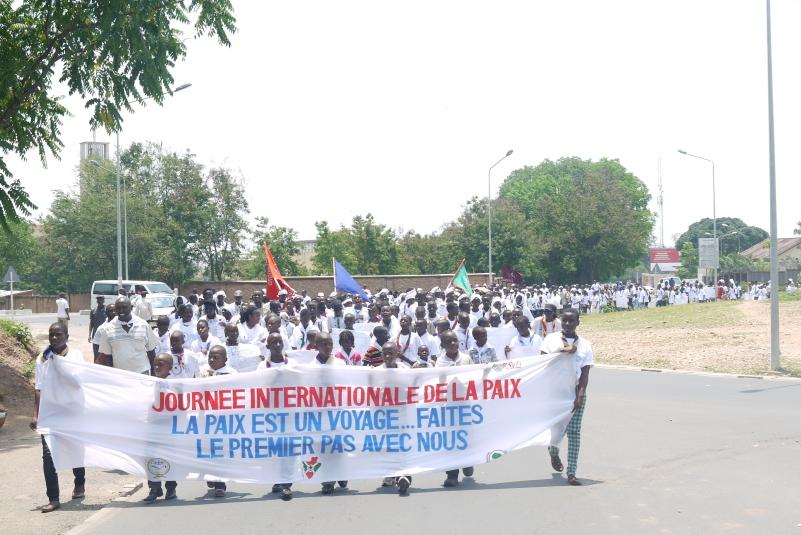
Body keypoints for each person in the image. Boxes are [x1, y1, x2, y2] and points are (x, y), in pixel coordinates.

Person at [31, 322, 86, 513]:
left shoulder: (75, 356)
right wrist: (35, 414)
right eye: (51, 335)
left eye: (58, 335)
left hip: (72, 412)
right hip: (50, 414)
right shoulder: (42, 358)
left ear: (66, 336)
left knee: (75, 450)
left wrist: (59, 364)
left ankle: (80, 482)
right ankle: (53, 498)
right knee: (48, 456)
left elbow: (78, 382)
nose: (54, 338)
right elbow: (38, 388)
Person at [542, 308, 593, 486]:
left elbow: (585, 373)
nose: (568, 324)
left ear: (578, 322)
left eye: (572, 321)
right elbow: (541, 362)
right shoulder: (550, 340)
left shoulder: (585, 345)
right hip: (556, 393)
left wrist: (580, 394)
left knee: (574, 432)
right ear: (561, 321)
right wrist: (560, 352)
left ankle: (572, 472)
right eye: (565, 321)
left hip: (575, 393)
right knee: (557, 430)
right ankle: (553, 452)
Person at [309, 333, 347, 494]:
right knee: (323, 447)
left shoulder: (340, 363)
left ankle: (339, 473)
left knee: (337, 447)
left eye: (330, 343)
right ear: (316, 346)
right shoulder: (309, 368)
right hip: (319, 413)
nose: (327, 347)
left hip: (336, 411)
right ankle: (327, 480)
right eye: (323, 344)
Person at [436, 330, 474, 487]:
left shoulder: (466, 358)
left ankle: (467, 461)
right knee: (451, 441)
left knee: (465, 437)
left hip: (465, 405)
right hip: (449, 408)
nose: (453, 344)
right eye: (449, 341)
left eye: (455, 340)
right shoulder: (439, 363)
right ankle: (452, 474)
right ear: (443, 345)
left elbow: (474, 378)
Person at [144, 354, 179, 503]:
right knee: (151, 457)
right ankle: (154, 488)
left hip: (169, 429)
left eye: (161, 364)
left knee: (169, 458)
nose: (157, 367)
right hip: (152, 428)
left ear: (170, 368)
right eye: (155, 364)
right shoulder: (148, 384)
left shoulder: (176, 385)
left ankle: (171, 488)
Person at [379, 342, 412, 495]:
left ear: (397, 354)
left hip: (403, 414)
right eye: (384, 353)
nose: (387, 356)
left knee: (403, 444)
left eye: (390, 353)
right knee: (388, 445)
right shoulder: (376, 372)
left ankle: (403, 475)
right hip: (385, 416)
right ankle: (389, 473)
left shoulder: (406, 370)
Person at [96, 296, 159, 375]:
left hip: (143, 373)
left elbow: (151, 352)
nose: (121, 310)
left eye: (124, 307)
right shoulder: (108, 329)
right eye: (118, 308)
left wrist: (153, 375)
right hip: (121, 376)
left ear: (131, 307)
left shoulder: (143, 325)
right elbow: (106, 356)